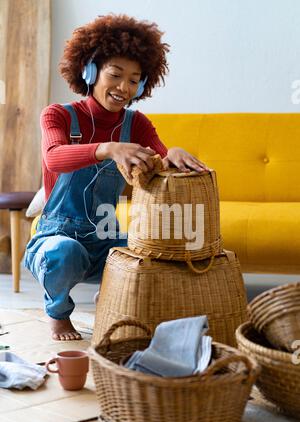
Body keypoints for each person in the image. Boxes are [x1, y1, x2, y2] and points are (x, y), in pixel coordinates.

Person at [24, 14, 208, 341]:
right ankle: (57, 311)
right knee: (64, 255)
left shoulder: (137, 124)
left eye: (135, 80)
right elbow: (54, 158)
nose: (124, 87)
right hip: (56, 236)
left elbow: (159, 159)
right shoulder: (57, 115)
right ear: (90, 71)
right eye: (116, 74)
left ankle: (111, 297)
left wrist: (173, 154)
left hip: (105, 235)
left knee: (152, 254)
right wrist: (108, 148)